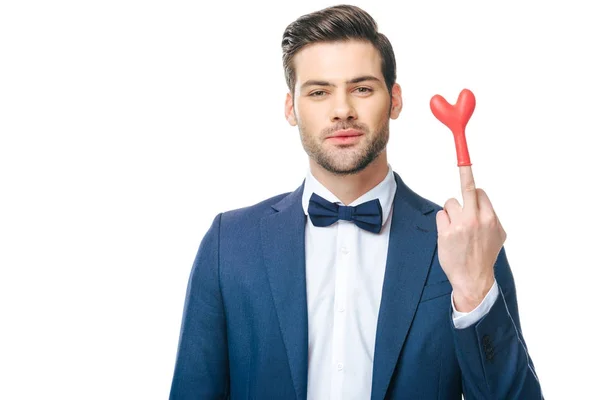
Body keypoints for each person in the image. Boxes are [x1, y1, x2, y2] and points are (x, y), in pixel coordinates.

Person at [169, 4, 543, 399]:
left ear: (395, 100)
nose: (342, 110)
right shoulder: (230, 244)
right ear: (290, 108)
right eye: (318, 92)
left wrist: (474, 294)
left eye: (362, 88)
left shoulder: (462, 241)